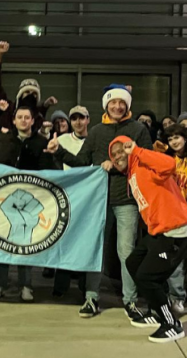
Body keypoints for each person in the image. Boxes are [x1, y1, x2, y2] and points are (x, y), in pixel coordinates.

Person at [45, 84, 153, 321]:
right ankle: (91, 297)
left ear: (127, 105)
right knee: (95, 249)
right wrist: (58, 151)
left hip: (127, 199)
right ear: (106, 105)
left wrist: (119, 164)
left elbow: (148, 161)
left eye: (121, 103)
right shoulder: (95, 132)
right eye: (113, 102)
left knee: (126, 251)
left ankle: (130, 301)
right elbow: (82, 161)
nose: (117, 106)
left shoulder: (138, 129)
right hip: (97, 200)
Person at [114, 137, 187, 343]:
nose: (117, 156)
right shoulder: (133, 173)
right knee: (133, 262)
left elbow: (169, 164)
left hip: (178, 231)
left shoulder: (144, 163)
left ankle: (171, 323)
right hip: (160, 232)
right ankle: (157, 308)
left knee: (147, 277)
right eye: (113, 154)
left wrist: (138, 151)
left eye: (121, 150)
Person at [0, 101, 56, 303]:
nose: (23, 120)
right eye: (19, 117)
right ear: (14, 120)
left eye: (27, 117)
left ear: (33, 120)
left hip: (29, 199)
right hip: (5, 198)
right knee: (2, 241)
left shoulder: (41, 142)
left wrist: (50, 154)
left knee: (25, 243)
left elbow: (48, 172)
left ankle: (26, 285)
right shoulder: (4, 138)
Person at [159, 125, 187, 311]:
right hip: (171, 216)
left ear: (186, 138)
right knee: (173, 256)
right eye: (170, 139)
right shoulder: (167, 159)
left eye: (177, 137)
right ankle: (176, 295)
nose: (174, 142)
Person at [51, 105, 91, 297]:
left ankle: (85, 285)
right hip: (65, 194)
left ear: (88, 120)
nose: (77, 122)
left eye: (81, 118)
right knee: (64, 237)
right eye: (74, 118)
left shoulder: (94, 140)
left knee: (85, 239)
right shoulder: (61, 140)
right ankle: (61, 285)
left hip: (88, 196)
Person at [0, 41, 56, 132]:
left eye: (34, 94)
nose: (30, 96)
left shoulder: (38, 118)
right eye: (27, 92)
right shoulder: (7, 109)